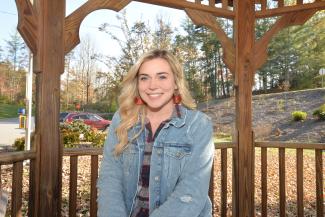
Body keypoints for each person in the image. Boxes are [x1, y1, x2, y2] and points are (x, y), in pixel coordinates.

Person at [97, 49, 214, 217]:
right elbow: (110, 179)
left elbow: (191, 192)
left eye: (162, 76)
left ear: (176, 82)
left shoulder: (198, 124)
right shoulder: (122, 119)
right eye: (144, 78)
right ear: (137, 83)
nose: (152, 85)